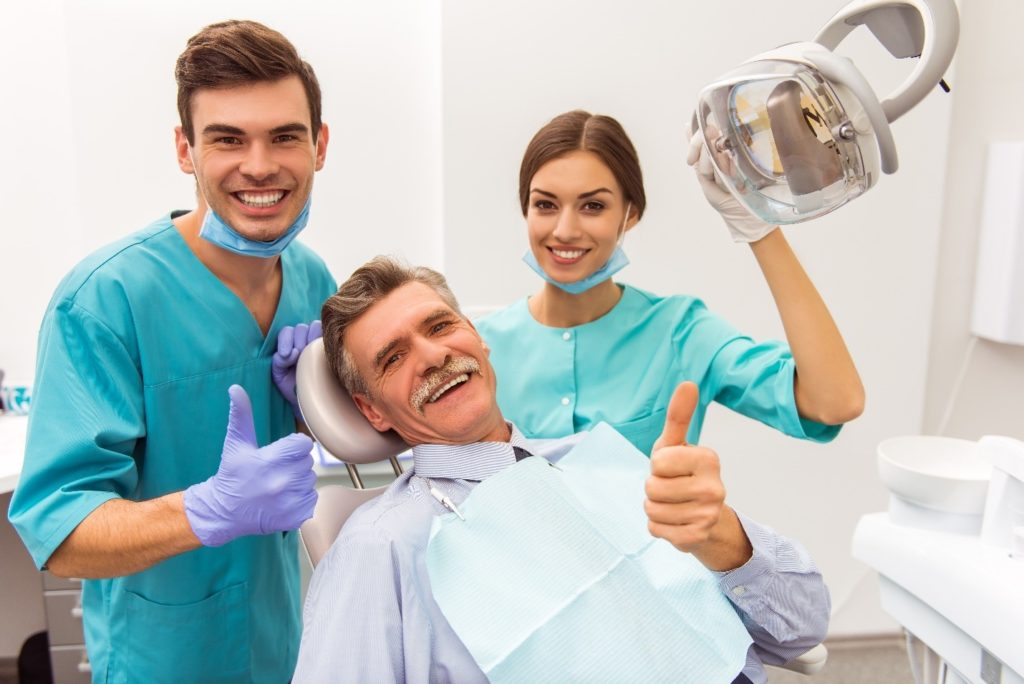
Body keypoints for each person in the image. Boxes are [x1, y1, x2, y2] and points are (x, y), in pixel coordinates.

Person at [293, 256, 829, 684]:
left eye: (439, 326)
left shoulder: (598, 462)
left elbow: (801, 630)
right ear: (371, 411)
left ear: (478, 339)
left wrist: (722, 539)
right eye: (393, 358)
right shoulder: (381, 546)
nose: (433, 356)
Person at [7, 21, 335, 683]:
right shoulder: (106, 300)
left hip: (281, 643)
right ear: (185, 150)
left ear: (320, 145)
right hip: (161, 657)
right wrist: (205, 509)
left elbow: (303, 452)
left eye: (284, 136)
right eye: (227, 139)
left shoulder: (313, 281)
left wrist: (318, 405)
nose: (260, 164)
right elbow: (59, 530)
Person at [475, 110, 865, 456]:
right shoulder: (479, 349)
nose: (564, 230)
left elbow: (834, 401)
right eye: (545, 204)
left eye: (593, 206)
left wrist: (759, 228)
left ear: (630, 215)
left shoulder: (681, 331)